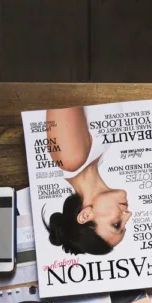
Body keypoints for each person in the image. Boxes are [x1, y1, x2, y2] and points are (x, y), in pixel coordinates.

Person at [43, 107, 132, 255]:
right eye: (124, 225)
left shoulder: (70, 158)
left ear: (85, 215)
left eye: (116, 224)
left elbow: (62, 90)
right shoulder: (99, 157)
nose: (128, 214)